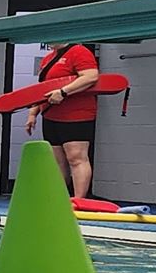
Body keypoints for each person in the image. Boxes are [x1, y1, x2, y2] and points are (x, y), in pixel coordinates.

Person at [26, 42, 103, 198]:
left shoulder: (79, 51)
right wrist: (33, 113)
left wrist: (63, 92)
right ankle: (60, 198)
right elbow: (43, 88)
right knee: (57, 161)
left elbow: (91, 76)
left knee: (76, 157)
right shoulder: (48, 58)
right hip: (51, 114)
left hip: (76, 115)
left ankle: (79, 199)